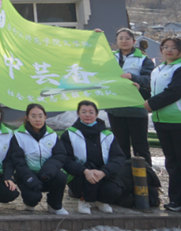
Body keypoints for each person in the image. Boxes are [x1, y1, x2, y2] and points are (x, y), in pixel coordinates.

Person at [61, 100, 125, 214]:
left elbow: (118, 158)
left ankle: (101, 201)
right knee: (89, 183)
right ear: (78, 113)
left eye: (91, 112)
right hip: (80, 174)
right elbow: (65, 158)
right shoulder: (69, 134)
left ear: (96, 114)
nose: (87, 115)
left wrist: (104, 172)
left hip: (103, 173)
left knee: (113, 190)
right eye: (84, 112)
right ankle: (84, 199)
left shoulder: (107, 135)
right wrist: (85, 171)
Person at [104, 28, 154, 166]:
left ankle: (145, 176)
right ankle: (124, 176)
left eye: (127, 38)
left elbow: (150, 79)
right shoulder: (109, 58)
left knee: (140, 146)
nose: (124, 41)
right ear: (116, 41)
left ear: (134, 41)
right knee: (120, 146)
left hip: (136, 107)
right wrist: (94, 37)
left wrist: (133, 77)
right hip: (115, 107)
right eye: (121, 38)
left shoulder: (143, 59)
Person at [10, 103, 68, 215]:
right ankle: (29, 203)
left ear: (45, 117)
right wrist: (30, 177)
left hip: (47, 174)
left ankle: (54, 206)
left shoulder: (52, 135)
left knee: (61, 177)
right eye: (33, 116)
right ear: (27, 118)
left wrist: (48, 171)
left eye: (40, 116)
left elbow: (60, 155)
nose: (38, 119)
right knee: (33, 197)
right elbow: (18, 161)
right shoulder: (18, 135)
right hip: (27, 175)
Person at [145, 37, 181, 212]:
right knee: (172, 162)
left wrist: (150, 104)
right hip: (161, 121)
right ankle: (176, 200)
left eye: (173, 47)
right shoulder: (158, 69)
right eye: (165, 47)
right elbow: (153, 91)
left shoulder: (179, 68)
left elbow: (174, 92)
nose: (169, 50)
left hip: (178, 121)